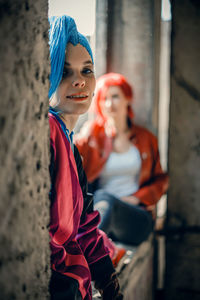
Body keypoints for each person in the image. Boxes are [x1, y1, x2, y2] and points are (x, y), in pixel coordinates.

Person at [48, 17, 123, 300]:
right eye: (64, 72)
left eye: (86, 70)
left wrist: (111, 287)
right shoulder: (50, 132)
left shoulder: (69, 145)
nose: (79, 80)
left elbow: (85, 225)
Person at [75, 72, 169, 246]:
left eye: (116, 96)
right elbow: (70, 155)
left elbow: (161, 180)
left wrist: (137, 198)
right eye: (105, 98)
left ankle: (86, 252)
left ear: (127, 98)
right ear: (99, 104)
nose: (110, 104)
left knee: (105, 198)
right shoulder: (93, 135)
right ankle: (93, 249)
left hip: (136, 216)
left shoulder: (146, 138)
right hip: (100, 212)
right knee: (102, 199)